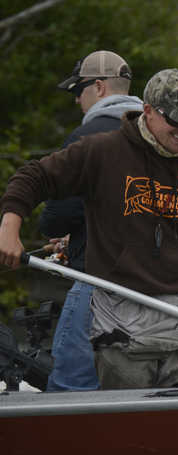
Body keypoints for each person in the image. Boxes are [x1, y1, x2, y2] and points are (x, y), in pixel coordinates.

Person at [0, 68, 178, 390]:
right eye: (176, 121)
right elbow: (33, 178)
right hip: (119, 318)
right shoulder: (102, 152)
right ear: (148, 112)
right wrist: (10, 227)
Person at [41, 50, 144, 391]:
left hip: (100, 285)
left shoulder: (89, 136)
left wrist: (65, 231)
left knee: (70, 387)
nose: (76, 101)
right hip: (162, 290)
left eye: (77, 91)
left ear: (99, 87)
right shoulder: (160, 136)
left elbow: (56, 218)